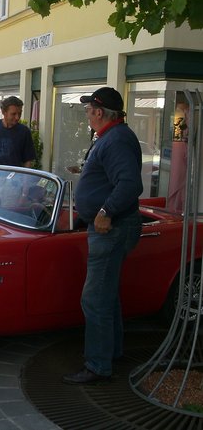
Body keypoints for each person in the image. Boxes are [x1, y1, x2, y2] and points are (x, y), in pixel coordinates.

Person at [62, 87, 143, 385]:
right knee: (106, 296)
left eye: (88, 109)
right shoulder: (112, 137)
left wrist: (105, 211)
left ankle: (97, 364)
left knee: (95, 299)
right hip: (110, 226)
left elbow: (131, 184)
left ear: (99, 112)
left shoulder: (117, 139)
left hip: (112, 228)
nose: (86, 113)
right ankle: (111, 353)